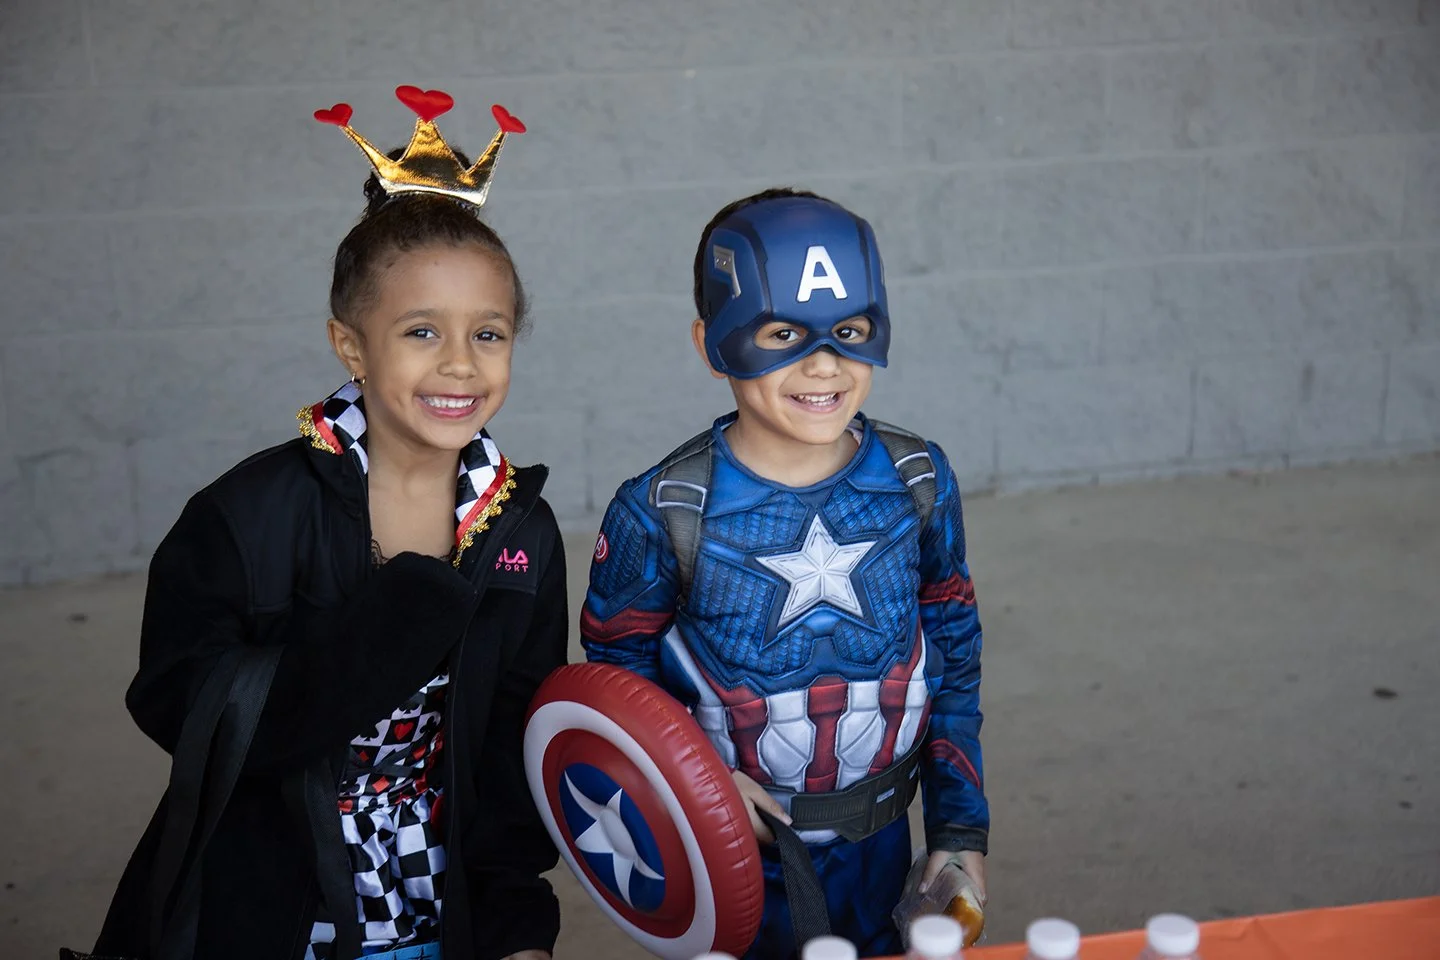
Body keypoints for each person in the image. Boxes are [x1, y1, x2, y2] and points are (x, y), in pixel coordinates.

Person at [91, 89, 565, 960]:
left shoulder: (521, 529)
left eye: (489, 334)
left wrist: (514, 923)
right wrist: (390, 627)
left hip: (437, 899)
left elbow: (512, 740)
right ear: (351, 346)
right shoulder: (245, 515)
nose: (460, 362)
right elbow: (180, 704)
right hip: (272, 905)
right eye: (421, 331)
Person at [580, 188, 990, 958]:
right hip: (734, 862)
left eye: (849, 332)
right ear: (714, 344)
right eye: (782, 334)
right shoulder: (664, 511)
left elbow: (955, 657)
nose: (824, 364)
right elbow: (614, 689)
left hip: (884, 845)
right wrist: (687, 788)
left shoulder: (916, 480)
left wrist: (960, 830)